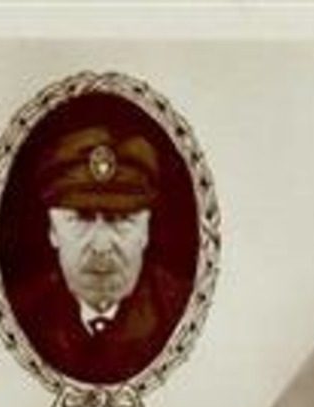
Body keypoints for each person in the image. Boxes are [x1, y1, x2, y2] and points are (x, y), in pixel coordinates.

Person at [14, 124, 190, 385]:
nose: (101, 245)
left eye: (120, 220)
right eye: (81, 219)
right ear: (52, 229)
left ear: (146, 231)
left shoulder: (184, 313)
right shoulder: (18, 314)